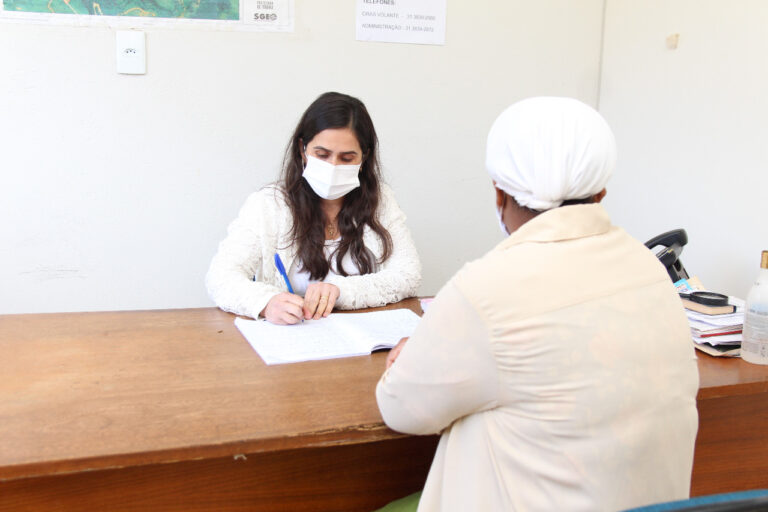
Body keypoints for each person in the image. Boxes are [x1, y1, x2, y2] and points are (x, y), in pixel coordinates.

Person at [375, 97, 699, 511]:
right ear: (600, 190)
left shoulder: (486, 287)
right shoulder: (649, 266)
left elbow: (401, 410)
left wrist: (412, 357)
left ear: (499, 194)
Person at [206, 92, 421, 324]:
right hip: (294, 338)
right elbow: (221, 277)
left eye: (347, 158)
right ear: (303, 149)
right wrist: (266, 302)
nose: (333, 166)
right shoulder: (269, 205)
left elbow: (408, 274)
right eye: (322, 154)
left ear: (364, 158)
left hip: (362, 342)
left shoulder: (381, 201)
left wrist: (340, 291)